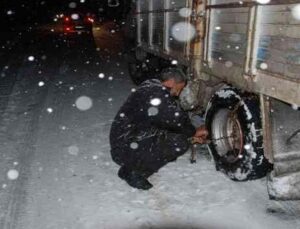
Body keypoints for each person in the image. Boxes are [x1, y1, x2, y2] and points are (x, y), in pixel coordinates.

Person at [109, 68, 208, 190]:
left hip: (126, 141)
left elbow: (163, 121)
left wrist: (189, 134)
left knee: (177, 137)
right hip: (125, 147)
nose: (178, 93)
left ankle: (130, 167)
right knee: (179, 142)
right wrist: (194, 131)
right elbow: (174, 120)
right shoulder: (156, 94)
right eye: (179, 88)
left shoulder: (152, 87)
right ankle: (132, 171)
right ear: (171, 82)